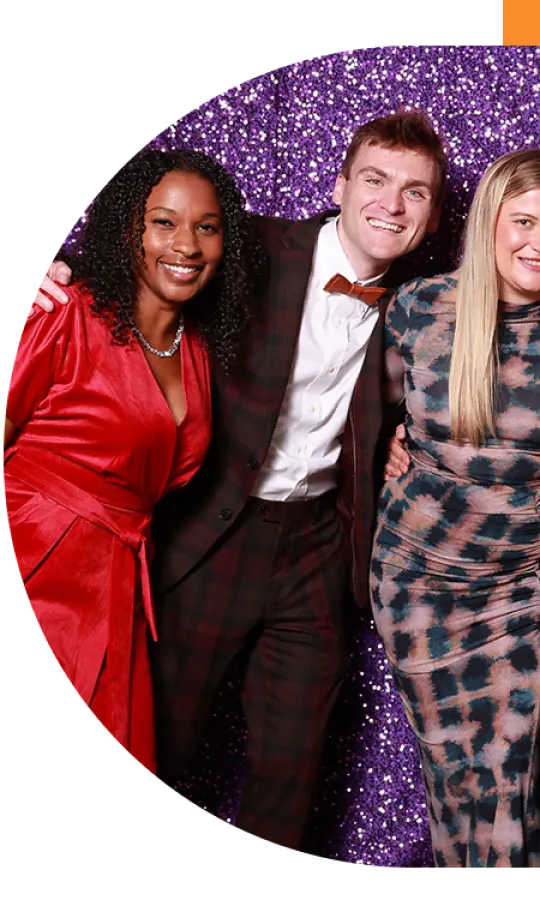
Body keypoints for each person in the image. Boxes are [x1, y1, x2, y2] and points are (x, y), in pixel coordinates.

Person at [28, 110, 448, 853]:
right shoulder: (252, 245)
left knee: (294, 768)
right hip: (211, 530)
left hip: (318, 550)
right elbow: (152, 254)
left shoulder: (427, 311)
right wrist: (54, 270)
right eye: (376, 181)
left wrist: (402, 450)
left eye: (415, 192)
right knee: (158, 741)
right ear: (340, 185)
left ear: (433, 214)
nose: (392, 203)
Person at [370, 149, 540, 871]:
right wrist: (386, 444)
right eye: (526, 222)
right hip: (420, 577)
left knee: (513, 780)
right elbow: (366, 415)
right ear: (489, 225)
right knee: (450, 777)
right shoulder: (418, 308)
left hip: (531, 582)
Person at [5, 149, 260, 776]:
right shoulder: (61, 313)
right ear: (129, 231)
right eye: (164, 222)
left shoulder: (197, 352)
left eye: (207, 227)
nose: (186, 245)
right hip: (36, 563)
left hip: (118, 587)